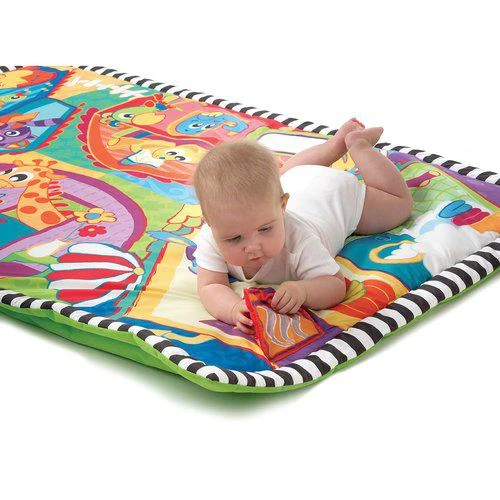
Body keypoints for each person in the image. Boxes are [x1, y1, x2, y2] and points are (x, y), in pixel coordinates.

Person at [192, 118, 413, 334]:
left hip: (334, 196)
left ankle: (358, 145)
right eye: (234, 238)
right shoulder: (214, 235)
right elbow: (210, 286)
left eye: (265, 229)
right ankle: (335, 145)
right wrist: (232, 309)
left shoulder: (300, 240)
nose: (253, 247)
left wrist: (304, 291)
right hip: (296, 177)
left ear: (283, 207)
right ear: (210, 223)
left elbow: (335, 285)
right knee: (285, 174)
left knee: (400, 205)